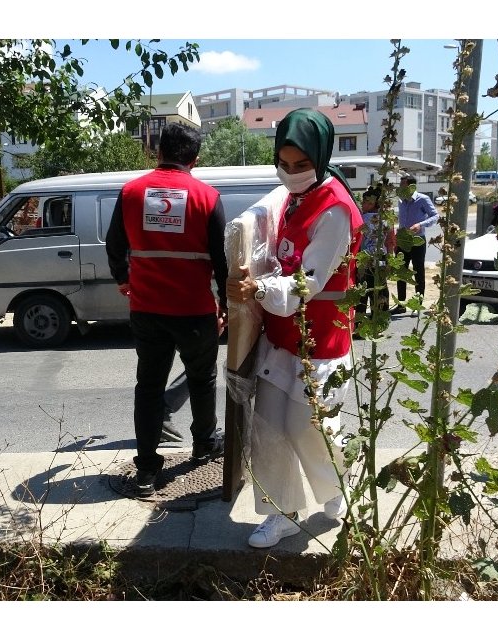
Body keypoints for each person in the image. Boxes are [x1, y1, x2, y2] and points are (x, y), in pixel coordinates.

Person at [225, 108, 364, 548]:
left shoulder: (336, 210)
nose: (290, 173)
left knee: (310, 427)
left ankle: (339, 485)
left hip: (321, 338)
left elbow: (307, 282)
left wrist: (257, 287)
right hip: (282, 336)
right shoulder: (291, 199)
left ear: (320, 158)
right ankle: (281, 512)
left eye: (301, 165)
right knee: (267, 427)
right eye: (283, 164)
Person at [105, 121, 229, 497]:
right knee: (202, 379)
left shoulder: (131, 192)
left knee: (149, 387)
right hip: (195, 310)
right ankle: (204, 443)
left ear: (157, 152)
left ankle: (145, 470)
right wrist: (225, 305)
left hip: (147, 308)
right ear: (195, 158)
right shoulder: (207, 197)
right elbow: (221, 262)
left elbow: (114, 245)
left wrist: (124, 280)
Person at [393, 173, 439, 313]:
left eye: (403, 185)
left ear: (411, 186)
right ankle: (401, 305)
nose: (401, 187)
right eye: (400, 185)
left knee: (418, 271)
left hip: (418, 240)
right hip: (402, 240)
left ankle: (418, 304)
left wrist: (420, 224)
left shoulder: (422, 199)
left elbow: (435, 216)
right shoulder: (401, 201)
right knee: (401, 271)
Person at [355, 184, 395, 316]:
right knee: (380, 289)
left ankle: (359, 320)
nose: (363, 205)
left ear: (373, 204)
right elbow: (390, 242)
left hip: (364, 259)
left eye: (366, 202)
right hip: (381, 259)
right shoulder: (387, 219)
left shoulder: (360, 219)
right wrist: (390, 260)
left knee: (362, 290)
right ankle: (379, 319)